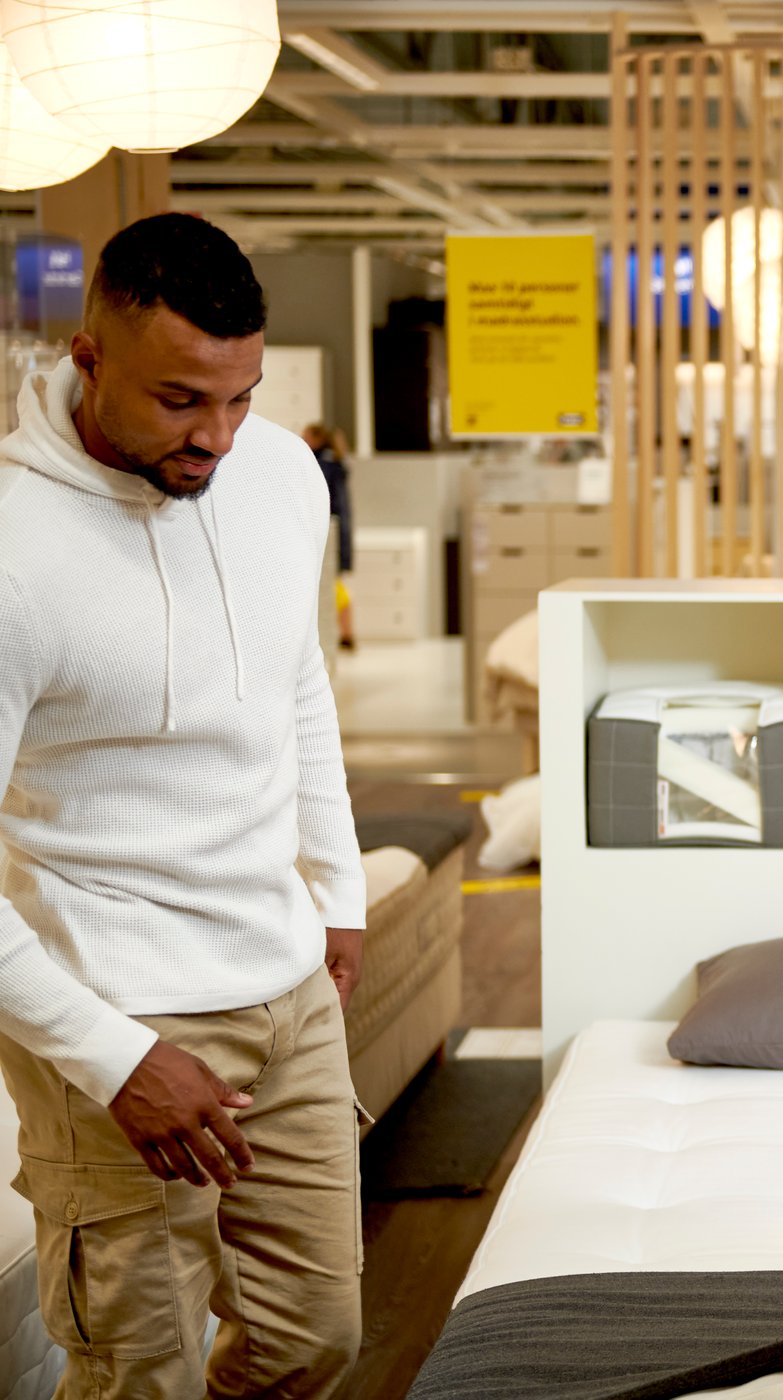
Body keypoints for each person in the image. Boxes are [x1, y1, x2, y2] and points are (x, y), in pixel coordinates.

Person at [0, 212, 367, 1397]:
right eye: (177, 402)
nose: (214, 437)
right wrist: (109, 1055)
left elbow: (293, 674)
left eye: (240, 396)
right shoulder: (12, 552)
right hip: (117, 1009)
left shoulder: (277, 473)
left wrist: (340, 889)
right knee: (137, 1376)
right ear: (88, 356)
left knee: (316, 1340)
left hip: (286, 989)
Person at [301, 421, 356, 649]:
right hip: (337, 534)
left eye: (305, 436)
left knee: (335, 588)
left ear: (316, 438)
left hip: (327, 536)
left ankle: (347, 632)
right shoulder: (334, 463)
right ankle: (347, 632)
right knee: (337, 585)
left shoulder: (322, 465)